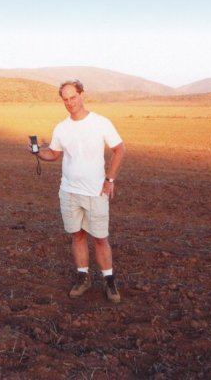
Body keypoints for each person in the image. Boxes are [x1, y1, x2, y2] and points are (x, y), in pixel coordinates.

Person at [31, 79, 125, 303]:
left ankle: (109, 281)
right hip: (69, 192)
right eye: (65, 99)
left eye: (73, 97)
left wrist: (110, 179)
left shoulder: (100, 123)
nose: (70, 103)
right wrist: (36, 152)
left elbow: (119, 149)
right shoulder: (61, 128)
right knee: (77, 235)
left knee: (100, 238)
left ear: (82, 95)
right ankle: (83, 277)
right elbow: (53, 154)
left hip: (95, 192)